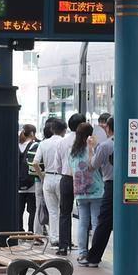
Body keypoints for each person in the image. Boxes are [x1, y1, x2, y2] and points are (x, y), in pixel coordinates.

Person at [69, 122, 104, 265]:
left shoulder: (72, 151)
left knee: (83, 223)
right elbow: (94, 165)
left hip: (80, 191)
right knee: (96, 223)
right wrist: (91, 148)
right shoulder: (93, 149)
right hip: (96, 191)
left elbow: (72, 171)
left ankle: (82, 253)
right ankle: (93, 256)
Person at [86, 116, 115, 267]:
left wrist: (91, 149)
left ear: (108, 129)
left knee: (104, 223)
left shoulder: (104, 146)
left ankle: (93, 257)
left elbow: (92, 166)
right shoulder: (133, 143)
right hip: (132, 188)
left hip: (110, 186)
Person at [33, 118, 66, 246]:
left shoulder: (44, 143)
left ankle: (54, 238)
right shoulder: (64, 142)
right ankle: (64, 238)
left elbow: (35, 163)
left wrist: (42, 176)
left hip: (48, 178)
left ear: (52, 129)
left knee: (52, 210)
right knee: (63, 210)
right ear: (64, 130)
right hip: (62, 177)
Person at [57, 113, 85, 255]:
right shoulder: (87, 141)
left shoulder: (62, 141)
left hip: (66, 179)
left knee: (64, 213)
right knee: (85, 214)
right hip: (83, 179)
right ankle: (83, 248)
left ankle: (63, 246)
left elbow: (58, 164)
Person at [18, 124, 39, 233]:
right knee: (33, 210)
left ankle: (19, 231)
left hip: (18, 183)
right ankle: (31, 231)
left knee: (19, 210)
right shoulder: (34, 145)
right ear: (32, 133)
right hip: (31, 183)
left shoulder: (16, 145)